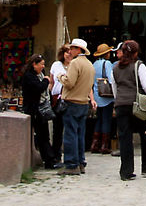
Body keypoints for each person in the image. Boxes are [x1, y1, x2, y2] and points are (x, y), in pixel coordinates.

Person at [110, 40, 146, 181]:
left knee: (124, 137)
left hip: (121, 104)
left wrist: (119, 100)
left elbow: (114, 88)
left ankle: (126, 171)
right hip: (137, 105)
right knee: (144, 133)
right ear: (136, 52)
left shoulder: (115, 68)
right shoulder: (138, 66)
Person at [56, 38, 96, 176]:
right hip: (83, 103)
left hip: (72, 102)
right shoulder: (90, 65)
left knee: (70, 134)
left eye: (72, 48)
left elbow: (69, 82)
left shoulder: (75, 63)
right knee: (80, 134)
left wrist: (60, 76)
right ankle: (80, 162)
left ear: (79, 50)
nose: (70, 50)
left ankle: (71, 164)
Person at [21, 54, 61, 169]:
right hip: (35, 110)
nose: (43, 67)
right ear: (34, 64)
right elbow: (38, 88)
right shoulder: (30, 76)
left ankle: (49, 159)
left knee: (44, 135)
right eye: (41, 64)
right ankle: (49, 160)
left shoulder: (38, 75)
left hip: (40, 109)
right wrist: (46, 81)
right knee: (42, 136)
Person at [90, 43, 115, 154]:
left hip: (96, 95)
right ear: (106, 54)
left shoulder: (94, 64)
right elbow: (111, 79)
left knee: (99, 119)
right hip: (106, 97)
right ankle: (104, 145)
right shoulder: (107, 63)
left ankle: (94, 144)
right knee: (106, 120)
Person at [49, 44, 71, 159]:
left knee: (69, 129)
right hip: (56, 99)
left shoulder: (75, 65)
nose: (69, 54)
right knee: (57, 129)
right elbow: (51, 81)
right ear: (63, 53)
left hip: (69, 99)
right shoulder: (56, 65)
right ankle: (56, 155)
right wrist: (50, 94)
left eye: (70, 52)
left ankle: (68, 155)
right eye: (67, 52)